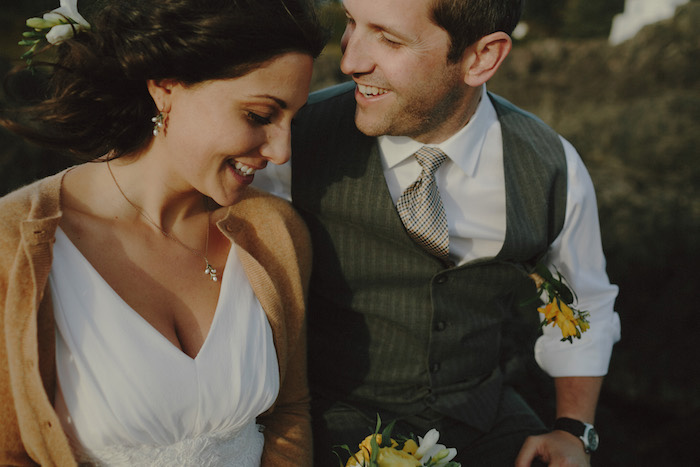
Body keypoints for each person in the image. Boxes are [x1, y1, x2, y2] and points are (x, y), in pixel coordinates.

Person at [253, 0, 621, 465]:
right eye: (351, 22)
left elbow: (581, 300)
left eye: (388, 39)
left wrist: (572, 428)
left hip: (485, 424)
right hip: (334, 426)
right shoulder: (291, 141)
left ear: (480, 58)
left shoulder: (551, 165)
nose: (349, 61)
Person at [0, 0, 325, 465]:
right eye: (259, 115)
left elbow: (289, 413)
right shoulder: (14, 249)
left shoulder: (274, 232)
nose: (281, 151)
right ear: (166, 87)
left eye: (292, 120)